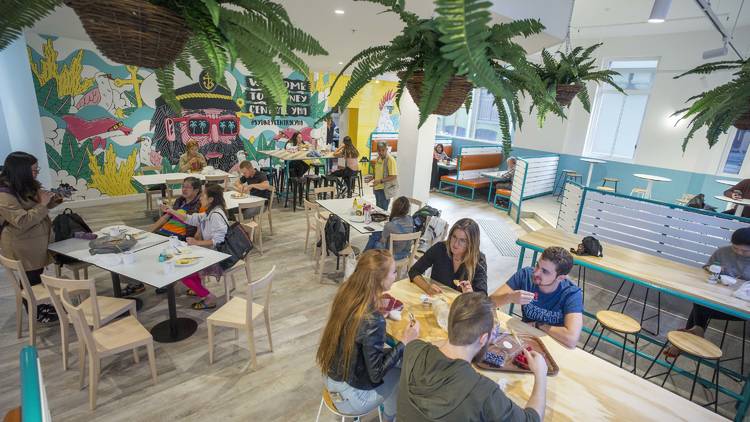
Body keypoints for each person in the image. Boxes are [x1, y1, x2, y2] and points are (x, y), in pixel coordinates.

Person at [398, 292, 547, 422]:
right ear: (483, 339)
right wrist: (541, 374)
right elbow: (532, 419)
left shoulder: (413, 349)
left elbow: (430, 345)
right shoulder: (484, 394)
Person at [316, 250, 420, 422]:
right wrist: (404, 341)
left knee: (398, 360)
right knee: (404, 370)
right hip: (349, 396)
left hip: (331, 377)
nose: (396, 275)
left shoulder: (347, 293)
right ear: (380, 279)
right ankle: (389, 418)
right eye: (394, 272)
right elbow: (376, 374)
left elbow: (358, 332)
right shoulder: (372, 320)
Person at [666, 227, 750, 357]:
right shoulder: (723, 252)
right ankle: (692, 334)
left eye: (745, 251)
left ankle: (690, 335)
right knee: (701, 300)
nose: (739, 252)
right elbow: (706, 268)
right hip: (717, 298)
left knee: (700, 305)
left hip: (741, 309)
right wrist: (714, 270)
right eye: (735, 248)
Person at [0, 152, 62, 323]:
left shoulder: (25, 184)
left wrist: (54, 199)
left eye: (37, 169)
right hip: (22, 246)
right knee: (30, 279)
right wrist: (43, 204)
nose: (36, 173)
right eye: (33, 170)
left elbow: (37, 206)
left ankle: (39, 306)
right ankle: (35, 313)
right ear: (21, 171)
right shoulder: (4, 195)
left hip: (34, 241)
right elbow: (22, 221)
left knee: (35, 275)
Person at [491, 247, 583, 349]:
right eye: (537, 265)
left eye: (545, 271)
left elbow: (571, 339)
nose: (536, 273)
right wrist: (509, 297)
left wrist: (539, 325)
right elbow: (489, 302)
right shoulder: (525, 275)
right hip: (525, 338)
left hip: (554, 343)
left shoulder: (571, 293)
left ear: (560, 278)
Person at [132, 176, 203, 295]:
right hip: (164, 233)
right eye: (183, 186)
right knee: (140, 249)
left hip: (177, 238)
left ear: (196, 191)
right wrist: (147, 232)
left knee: (158, 254)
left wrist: (195, 241)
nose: (184, 190)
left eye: (188, 187)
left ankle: (167, 280)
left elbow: (197, 225)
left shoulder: (198, 205)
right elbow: (166, 217)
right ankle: (138, 282)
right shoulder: (180, 200)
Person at [162, 184, 228, 309]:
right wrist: (171, 210)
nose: (200, 197)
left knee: (184, 273)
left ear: (210, 200)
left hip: (218, 257)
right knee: (186, 266)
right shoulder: (210, 211)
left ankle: (209, 298)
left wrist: (197, 243)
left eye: (203, 195)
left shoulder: (215, 215)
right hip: (211, 252)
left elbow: (218, 240)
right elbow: (191, 219)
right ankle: (199, 289)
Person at [408, 218, 488, 295]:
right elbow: (414, 271)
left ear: (471, 244)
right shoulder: (440, 248)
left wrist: (471, 294)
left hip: (461, 305)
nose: (455, 244)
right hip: (436, 301)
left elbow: (483, 296)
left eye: (462, 240)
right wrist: (427, 287)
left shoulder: (478, 260)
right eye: (454, 237)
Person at [371, 141, 398, 211]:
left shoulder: (390, 160)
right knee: (378, 208)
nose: (381, 152)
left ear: (386, 149)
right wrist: (372, 177)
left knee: (382, 211)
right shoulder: (378, 158)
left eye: (383, 150)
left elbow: (393, 176)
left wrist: (380, 181)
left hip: (385, 190)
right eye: (379, 150)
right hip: (377, 188)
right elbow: (379, 172)